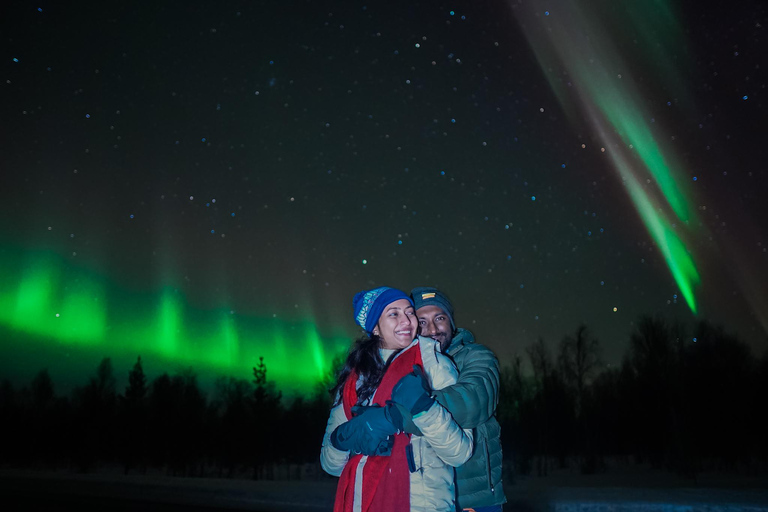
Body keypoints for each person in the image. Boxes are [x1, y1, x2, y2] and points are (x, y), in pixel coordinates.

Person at [320, 286, 473, 512]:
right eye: (394, 314)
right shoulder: (356, 379)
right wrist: (342, 439)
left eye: (410, 312)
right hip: (362, 502)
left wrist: (424, 408)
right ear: (375, 328)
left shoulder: (435, 364)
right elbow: (330, 465)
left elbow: (460, 453)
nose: (407, 320)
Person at [410, 286, 506, 512]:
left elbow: (473, 401)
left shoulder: (476, 356)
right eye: (422, 322)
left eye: (439, 318)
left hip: (473, 499)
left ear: (451, 322)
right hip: (423, 499)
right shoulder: (404, 366)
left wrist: (407, 409)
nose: (432, 329)